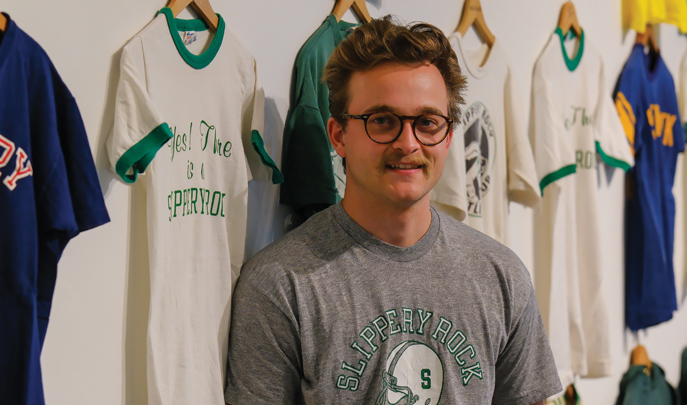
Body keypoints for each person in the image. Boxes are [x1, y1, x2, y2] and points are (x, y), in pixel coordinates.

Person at [224, 16, 562, 405]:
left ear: (448, 136)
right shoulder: (280, 284)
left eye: (427, 123)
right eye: (382, 121)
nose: (408, 142)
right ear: (339, 136)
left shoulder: (501, 277)